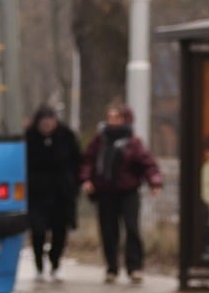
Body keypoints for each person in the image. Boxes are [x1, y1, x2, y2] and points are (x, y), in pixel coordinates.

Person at [80, 101, 163, 283]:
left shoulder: (133, 142)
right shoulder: (99, 140)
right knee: (108, 231)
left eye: (116, 117)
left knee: (132, 228)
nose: (113, 121)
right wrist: (86, 179)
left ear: (124, 119)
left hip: (128, 191)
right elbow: (88, 161)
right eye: (109, 117)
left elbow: (147, 163)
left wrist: (154, 182)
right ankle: (111, 268)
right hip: (105, 191)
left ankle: (134, 267)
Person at [23, 105, 81, 278]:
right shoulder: (29, 138)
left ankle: (55, 261)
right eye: (43, 123)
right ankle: (39, 263)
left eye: (50, 122)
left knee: (60, 231)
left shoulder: (66, 136)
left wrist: (74, 185)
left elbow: (77, 161)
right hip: (36, 194)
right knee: (38, 231)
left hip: (61, 194)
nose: (47, 126)